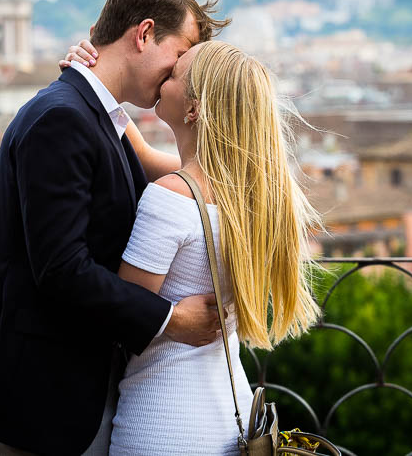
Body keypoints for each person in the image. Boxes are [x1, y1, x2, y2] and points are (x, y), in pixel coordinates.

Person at [0, 0, 230, 455]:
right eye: (180, 53)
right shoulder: (63, 117)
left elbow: (192, 179)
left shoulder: (88, 113)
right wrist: (171, 320)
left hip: (69, 389)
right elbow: (62, 270)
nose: (178, 72)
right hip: (50, 397)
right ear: (144, 34)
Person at [99, 40, 321, 455]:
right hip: (228, 413)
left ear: (194, 109)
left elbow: (124, 320)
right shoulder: (256, 195)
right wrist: (101, 87)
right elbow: (145, 154)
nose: (165, 76)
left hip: (163, 421)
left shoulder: (172, 196)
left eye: (175, 74)